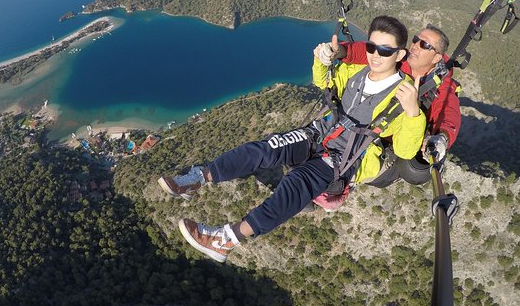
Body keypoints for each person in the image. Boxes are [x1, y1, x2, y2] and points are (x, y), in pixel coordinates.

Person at [157, 16, 426, 263]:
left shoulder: (404, 95)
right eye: (371, 47)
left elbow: (404, 150)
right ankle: (199, 178)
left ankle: (226, 238)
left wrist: (413, 113)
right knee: (266, 149)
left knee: (296, 184)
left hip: (345, 158)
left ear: (400, 54)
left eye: (385, 50)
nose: (375, 55)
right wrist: (321, 60)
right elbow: (324, 83)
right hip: (318, 133)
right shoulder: (355, 73)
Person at [318, 24, 461, 187]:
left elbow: (448, 111)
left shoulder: (440, 84)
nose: (415, 46)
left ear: (437, 58)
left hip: (393, 140)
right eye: (415, 40)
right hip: (369, 124)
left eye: (424, 44)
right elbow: (372, 53)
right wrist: (341, 51)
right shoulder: (402, 59)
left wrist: (443, 137)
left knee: (414, 170)